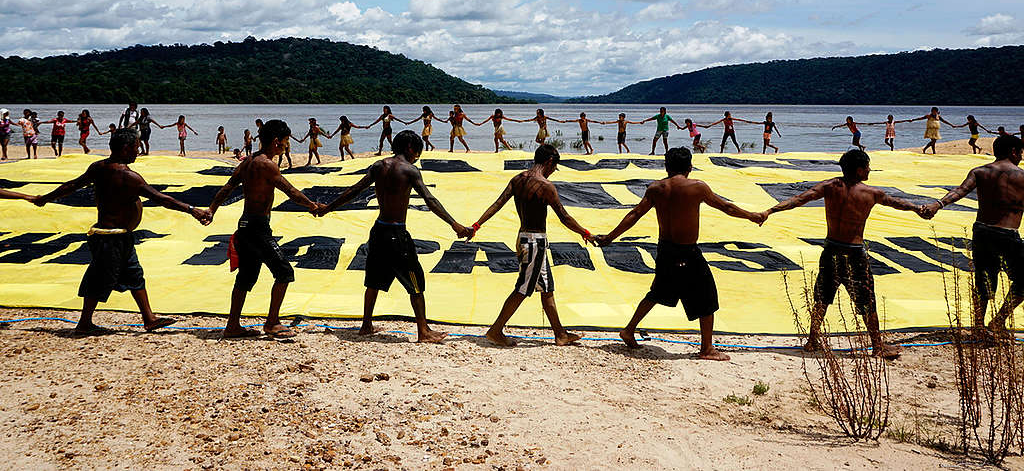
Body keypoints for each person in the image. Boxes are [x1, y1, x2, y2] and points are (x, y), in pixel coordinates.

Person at [32, 129, 209, 335]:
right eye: (136, 147)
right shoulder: (128, 176)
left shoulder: (98, 168)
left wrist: (46, 197)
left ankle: (149, 318)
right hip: (110, 237)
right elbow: (162, 199)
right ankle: (84, 323)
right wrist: (191, 210)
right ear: (125, 149)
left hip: (120, 236)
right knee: (98, 278)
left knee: (134, 274)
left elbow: (72, 185)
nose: (138, 151)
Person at [595, 147, 765, 360]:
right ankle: (707, 349)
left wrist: (610, 237)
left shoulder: (655, 188)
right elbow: (726, 207)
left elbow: (635, 214)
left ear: (667, 166)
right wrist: (751, 216)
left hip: (665, 249)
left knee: (657, 292)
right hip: (687, 251)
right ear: (690, 167)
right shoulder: (697, 187)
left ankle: (629, 330)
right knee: (707, 295)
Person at [761, 149, 928, 359]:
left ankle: (812, 341)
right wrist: (918, 209)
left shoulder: (829, 187)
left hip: (831, 250)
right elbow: (898, 203)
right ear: (859, 170)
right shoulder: (871, 193)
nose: (869, 169)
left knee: (822, 297)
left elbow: (799, 199)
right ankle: (877, 346)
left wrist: (770, 211)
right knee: (867, 300)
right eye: (867, 166)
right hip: (854, 254)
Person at [317, 130, 473, 343]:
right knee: (415, 281)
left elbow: (354, 191)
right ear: (410, 148)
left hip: (378, 230)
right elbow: (429, 199)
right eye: (417, 151)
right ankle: (423, 331)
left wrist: (328, 208)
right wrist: (455, 224)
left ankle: (366, 325)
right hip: (396, 233)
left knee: (373, 280)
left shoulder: (378, 166)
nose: (417, 155)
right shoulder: (410, 170)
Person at [205, 119, 320, 339]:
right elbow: (290, 190)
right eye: (285, 142)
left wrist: (212, 209)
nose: (286, 146)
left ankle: (232, 325)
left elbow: (228, 187)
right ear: (276, 142)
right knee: (284, 272)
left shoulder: (248, 162)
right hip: (257, 228)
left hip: (245, 225)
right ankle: (272, 323)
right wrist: (312, 206)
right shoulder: (267, 164)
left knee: (246, 277)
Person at [471, 144, 594, 346]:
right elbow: (564, 217)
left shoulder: (518, 179)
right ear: (549, 162)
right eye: (554, 167)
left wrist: (477, 225)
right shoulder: (545, 186)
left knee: (546, 288)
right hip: (534, 242)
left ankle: (560, 334)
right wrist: (586, 233)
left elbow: (497, 204)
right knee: (523, 288)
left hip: (524, 238)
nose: (553, 171)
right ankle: (495, 330)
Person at [922, 135, 1024, 336]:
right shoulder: (1021, 177)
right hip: (1007, 233)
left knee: (984, 279)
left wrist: (937, 204)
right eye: (1020, 153)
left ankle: (979, 325)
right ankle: (998, 320)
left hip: (982, 231)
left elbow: (960, 191)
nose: (1021, 156)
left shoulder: (980, 171)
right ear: (1013, 152)